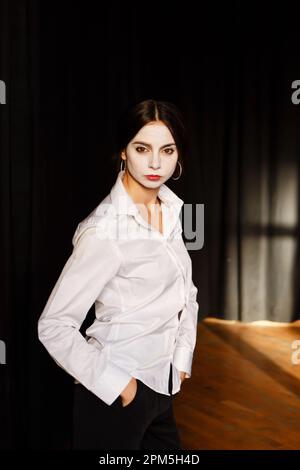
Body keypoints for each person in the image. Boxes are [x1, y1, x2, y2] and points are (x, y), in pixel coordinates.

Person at [37, 99, 199, 450]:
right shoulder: (103, 230)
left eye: (167, 150)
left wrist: (182, 357)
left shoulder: (171, 210)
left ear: (178, 155)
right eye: (142, 149)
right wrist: (122, 387)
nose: (156, 162)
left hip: (162, 386)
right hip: (115, 395)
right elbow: (53, 326)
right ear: (123, 152)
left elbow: (188, 292)